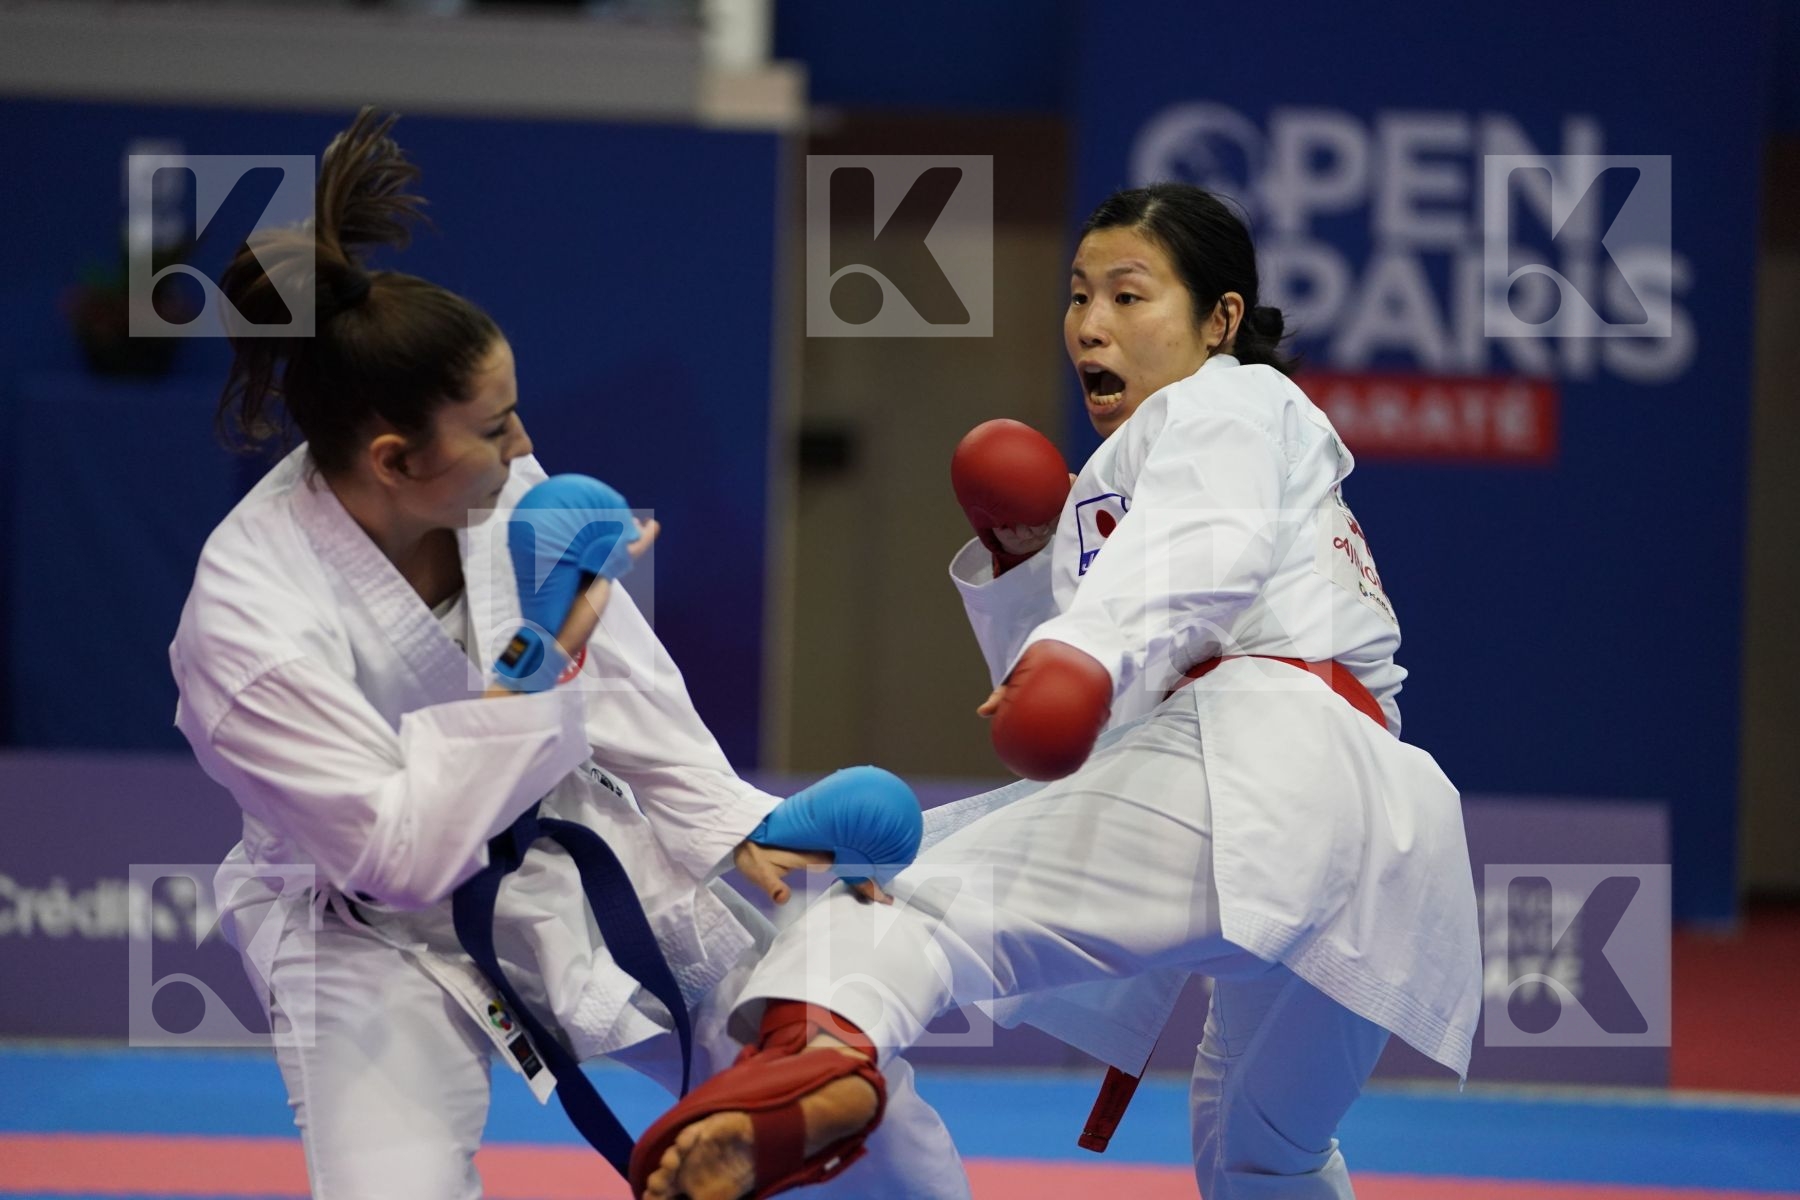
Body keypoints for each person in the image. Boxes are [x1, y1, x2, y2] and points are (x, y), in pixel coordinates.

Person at [168, 108, 970, 1200]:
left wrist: (735, 828)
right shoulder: (246, 626)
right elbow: (398, 857)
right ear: (397, 457)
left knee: (868, 1130)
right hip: (362, 933)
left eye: (516, 411)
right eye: (494, 428)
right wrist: (526, 678)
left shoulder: (517, 501)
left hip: (571, 848)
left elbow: (632, 688)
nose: (526, 446)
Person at [631, 182, 1483, 1200]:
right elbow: (1084, 719)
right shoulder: (1151, 477)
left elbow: (1197, 555)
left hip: (1262, 764)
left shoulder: (1231, 400)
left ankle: (805, 1087)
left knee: (897, 906)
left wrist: (1077, 652)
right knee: (1268, 1157)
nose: (1090, 324)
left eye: (1130, 297)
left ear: (1220, 321)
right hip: (1383, 837)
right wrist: (1030, 565)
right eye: (1079, 298)